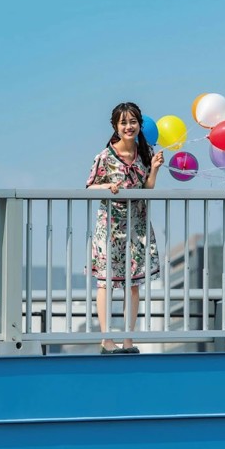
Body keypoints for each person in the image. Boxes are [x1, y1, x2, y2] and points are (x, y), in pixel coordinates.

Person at [86, 102, 164, 353]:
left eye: (133, 122)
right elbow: (89, 187)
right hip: (110, 225)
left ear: (140, 124)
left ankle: (128, 339)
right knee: (105, 281)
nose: (128, 126)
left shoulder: (145, 153)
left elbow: (147, 189)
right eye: (123, 122)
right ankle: (106, 339)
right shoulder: (105, 156)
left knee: (133, 283)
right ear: (115, 127)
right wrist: (107, 187)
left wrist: (153, 170)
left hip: (137, 224)